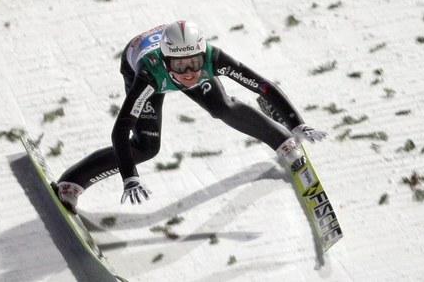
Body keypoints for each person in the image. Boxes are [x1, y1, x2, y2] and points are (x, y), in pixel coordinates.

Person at [55, 20, 327, 212]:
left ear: (203, 55)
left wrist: (297, 123)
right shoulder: (149, 74)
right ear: (165, 60)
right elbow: (120, 129)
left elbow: (263, 86)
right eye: (180, 65)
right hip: (140, 61)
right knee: (146, 147)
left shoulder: (213, 58)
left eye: (195, 63)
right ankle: (73, 182)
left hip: (168, 63)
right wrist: (130, 176)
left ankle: (282, 139)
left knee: (223, 107)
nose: (188, 72)